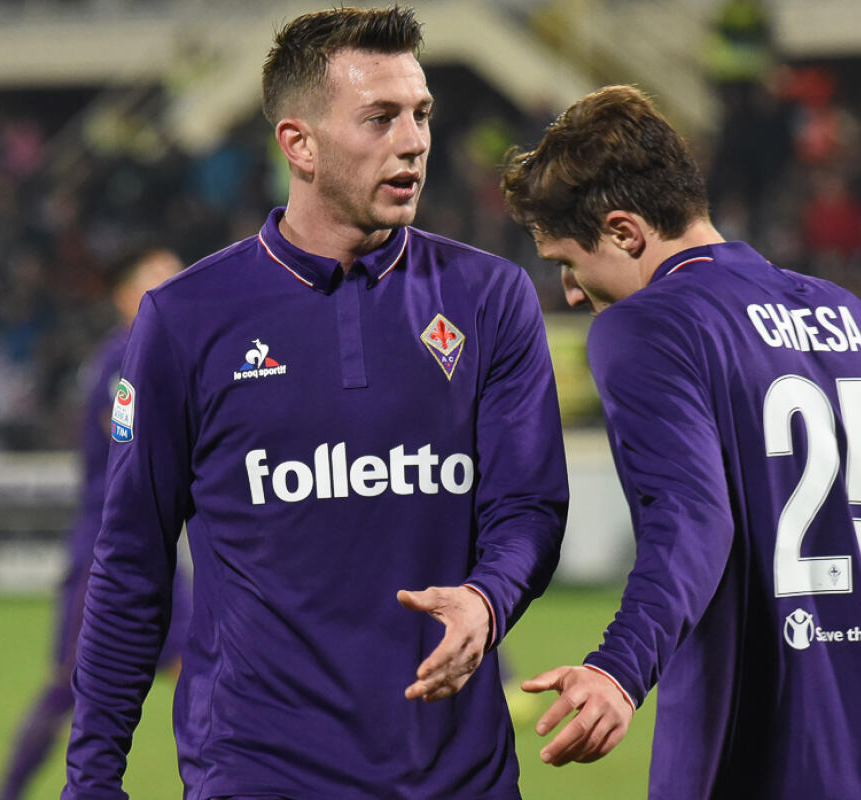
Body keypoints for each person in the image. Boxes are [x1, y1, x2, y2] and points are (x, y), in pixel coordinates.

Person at [62, 7, 567, 799]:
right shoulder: (186, 318)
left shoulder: (488, 298)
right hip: (260, 772)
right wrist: (93, 780)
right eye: (380, 118)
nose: (414, 141)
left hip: (456, 776)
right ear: (298, 143)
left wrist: (488, 598)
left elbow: (530, 506)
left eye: (421, 114)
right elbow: (131, 563)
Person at [500, 85, 861, 798]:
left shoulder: (648, 327)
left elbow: (694, 520)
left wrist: (618, 668)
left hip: (776, 772)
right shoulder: (852, 317)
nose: (572, 292)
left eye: (567, 263)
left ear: (626, 231)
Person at [0, 246, 191, 800]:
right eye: (159, 279)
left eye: (178, 278)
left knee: (206, 675)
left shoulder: (167, 355)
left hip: (162, 556)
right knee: (73, 686)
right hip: (108, 555)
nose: (174, 288)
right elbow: (146, 446)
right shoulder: (122, 358)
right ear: (125, 295)